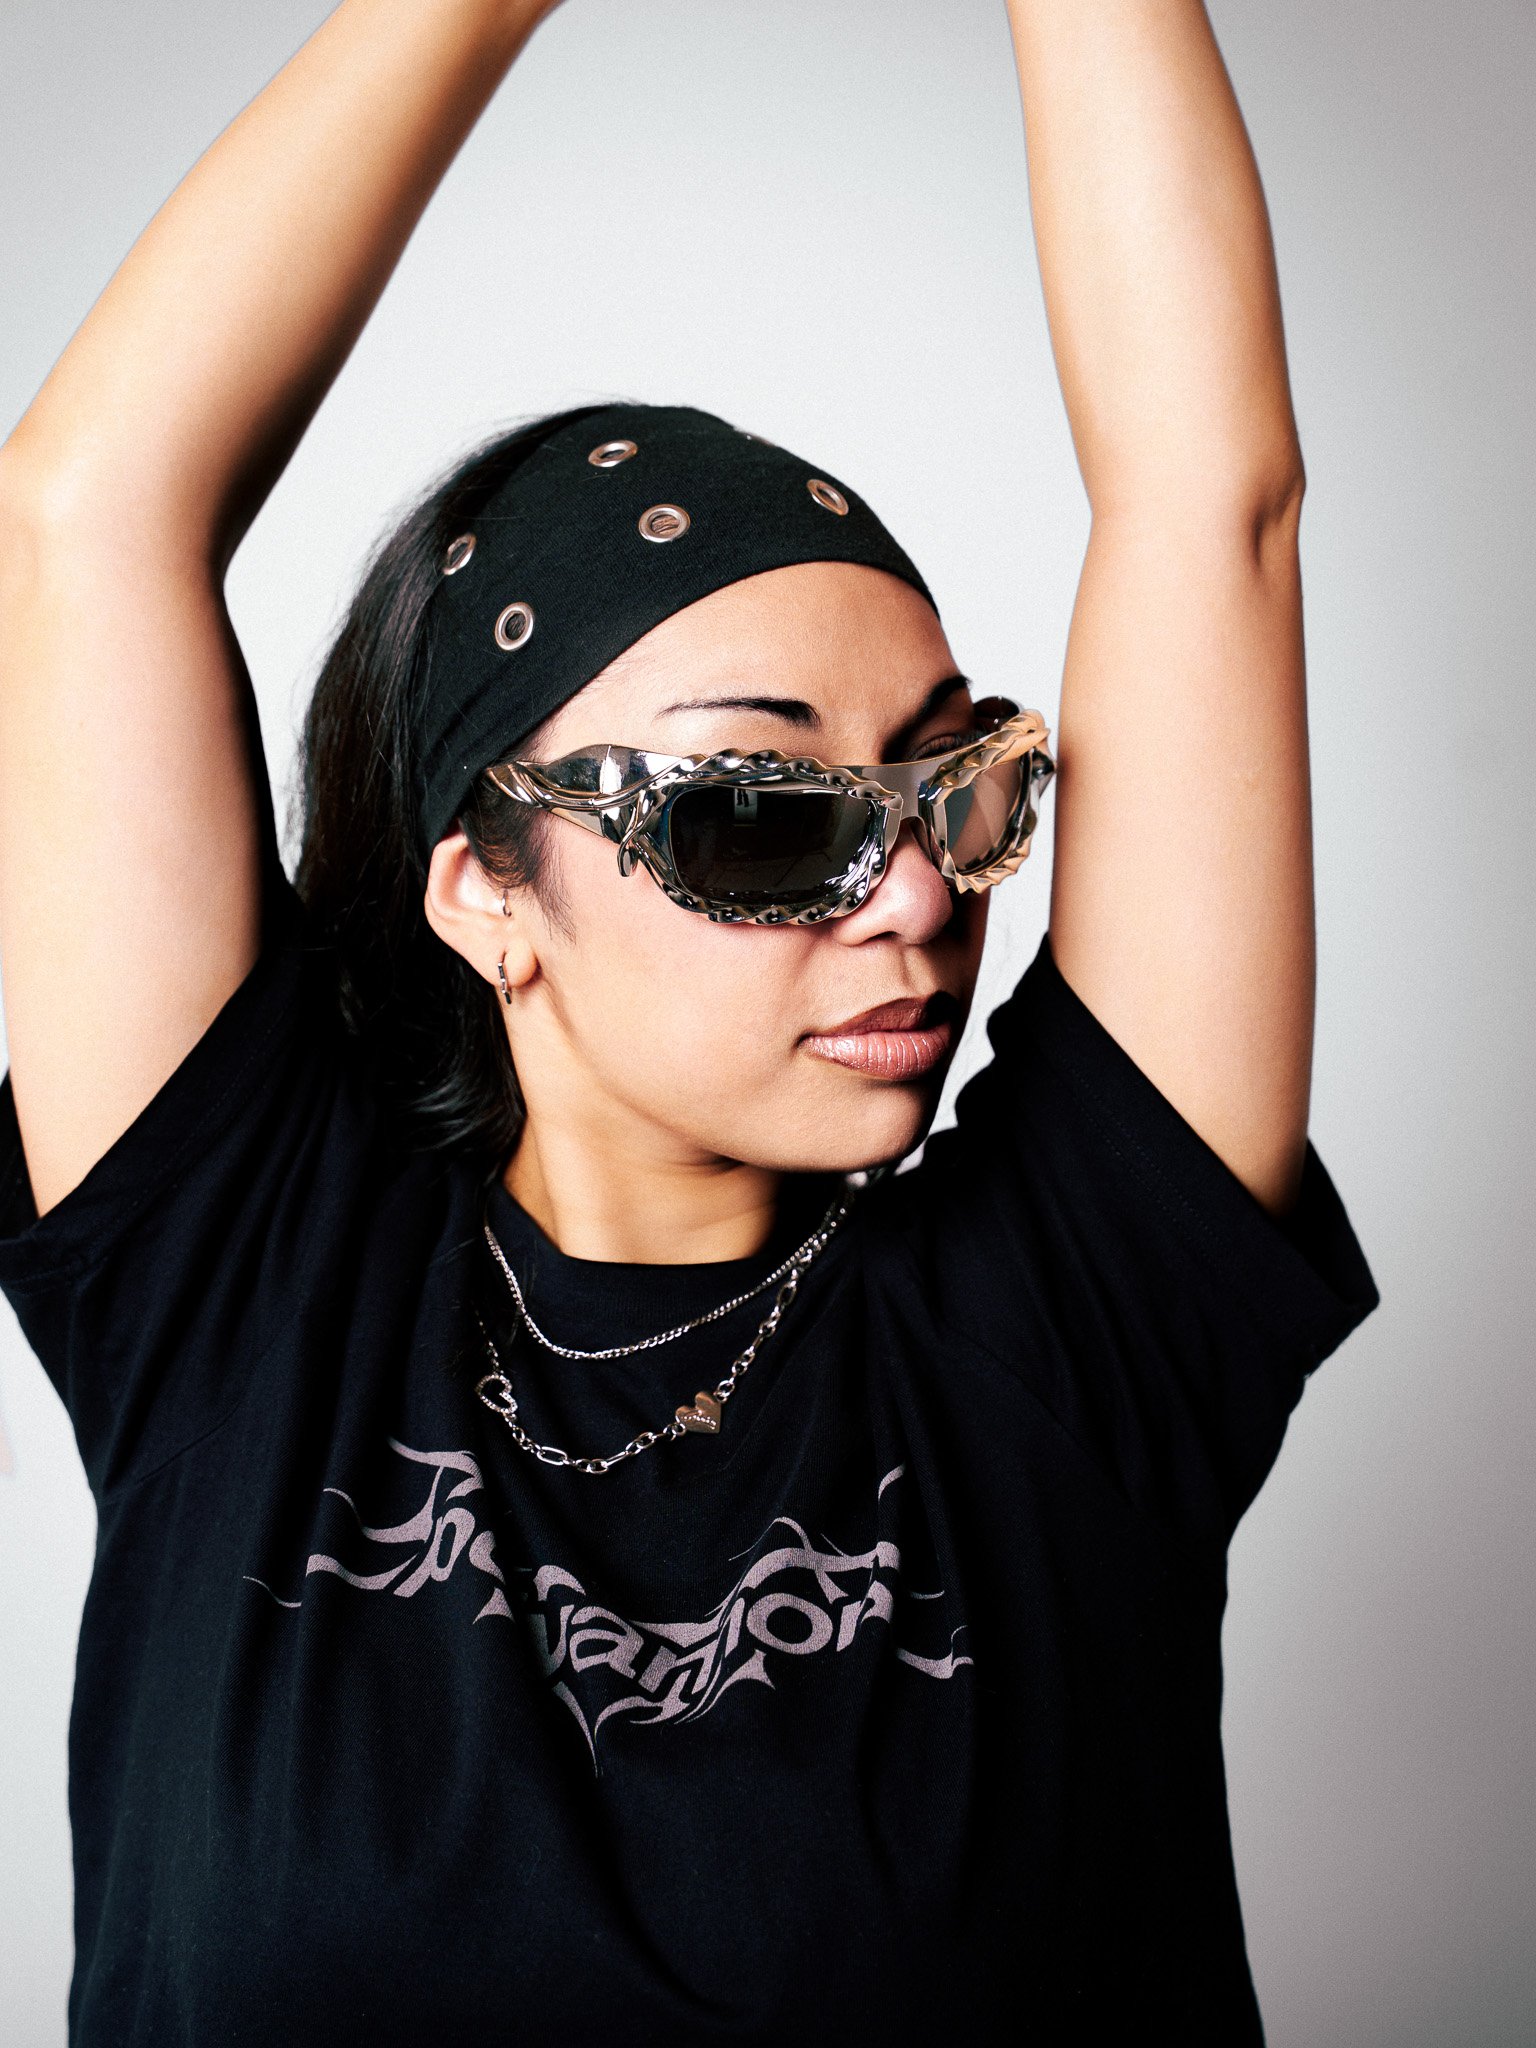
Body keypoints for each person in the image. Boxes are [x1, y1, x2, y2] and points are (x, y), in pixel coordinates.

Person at [0, 0, 1379, 2041]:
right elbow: (83, 511)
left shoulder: (1073, 1328)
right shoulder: (246, 1280)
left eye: (956, 790)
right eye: (758, 817)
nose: (914, 895)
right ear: (484, 884)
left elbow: (1213, 508)